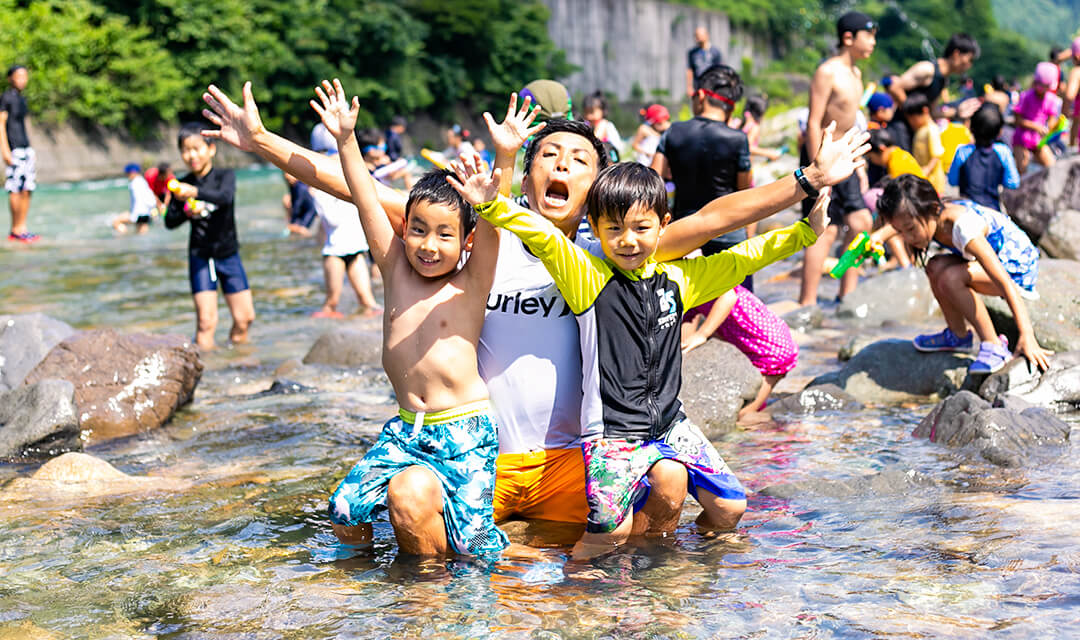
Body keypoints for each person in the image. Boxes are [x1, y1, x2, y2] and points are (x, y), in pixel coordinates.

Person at [200, 81, 869, 550]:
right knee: (422, 523)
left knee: (654, 501)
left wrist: (807, 182)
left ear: (599, 186)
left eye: (578, 160)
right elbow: (352, 186)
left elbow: (712, 219)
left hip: (570, 462)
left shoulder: (612, 252)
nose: (561, 164)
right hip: (482, 457)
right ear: (523, 178)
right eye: (548, 154)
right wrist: (259, 140)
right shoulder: (474, 240)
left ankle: (648, 600)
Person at [463, 160, 829, 559]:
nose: (627, 241)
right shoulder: (587, 277)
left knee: (730, 507)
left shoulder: (679, 280)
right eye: (614, 229)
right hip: (613, 437)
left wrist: (805, 232)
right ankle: (574, 589)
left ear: (663, 224)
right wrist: (491, 206)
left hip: (671, 425)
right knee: (607, 534)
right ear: (595, 227)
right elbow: (546, 237)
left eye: (641, 227)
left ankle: (679, 564)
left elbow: (743, 259)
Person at [313, 79, 508, 557]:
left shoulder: (469, 283)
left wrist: (503, 161)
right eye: (418, 229)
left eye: (444, 234)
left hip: (464, 429)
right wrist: (345, 140)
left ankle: (502, 593)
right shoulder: (394, 267)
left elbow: (495, 227)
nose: (427, 244)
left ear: (465, 241)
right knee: (344, 507)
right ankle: (363, 578)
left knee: (473, 544)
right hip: (406, 428)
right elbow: (364, 196)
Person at [872, 174, 1050, 374]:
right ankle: (958, 335)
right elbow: (901, 222)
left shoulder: (964, 228)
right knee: (934, 266)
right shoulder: (933, 214)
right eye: (900, 232)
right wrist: (877, 236)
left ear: (932, 209)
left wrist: (1027, 334)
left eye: (911, 230)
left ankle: (994, 347)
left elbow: (1004, 282)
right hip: (993, 261)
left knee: (951, 277)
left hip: (1016, 268)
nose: (907, 238)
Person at [798, 11, 876, 306]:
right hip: (823, 155)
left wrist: (861, 162)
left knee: (861, 221)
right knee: (823, 228)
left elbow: (852, 122)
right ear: (848, 38)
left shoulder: (856, 74)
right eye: (868, 35)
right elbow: (814, 122)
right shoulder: (827, 71)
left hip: (848, 155)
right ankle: (807, 303)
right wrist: (817, 169)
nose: (873, 42)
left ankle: (846, 293)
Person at [164, 123, 255, 351]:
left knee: (245, 318)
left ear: (211, 149)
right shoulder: (180, 186)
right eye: (186, 150)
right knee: (206, 322)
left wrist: (193, 193)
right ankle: (207, 375)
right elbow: (169, 222)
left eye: (197, 148)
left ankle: (238, 361)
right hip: (200, 256)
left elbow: (224, 198)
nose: (191, 155)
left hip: (228, 254)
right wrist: (185, 209)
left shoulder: (225, 177)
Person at [651, 64, 751, 267]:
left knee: (687, 297)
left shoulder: (673, 131)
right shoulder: (738, 139)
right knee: (738, 296)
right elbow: (744, 190)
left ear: (702, 95)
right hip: (728, 231)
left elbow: (652, 180)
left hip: (684, 232)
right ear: (731, 107)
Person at [681, 286, 798, 425]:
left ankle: (784, 429)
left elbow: (729, 296)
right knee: (746, 407)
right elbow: (685, 339)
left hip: (771, 350)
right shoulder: (690, 292)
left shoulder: (711, 276)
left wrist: (702, 334)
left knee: (743, 416)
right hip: (753, 349)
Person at [883, 33, 981, 124]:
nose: (969, 65)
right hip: (898, 129)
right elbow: (894, 86)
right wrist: (914, 115)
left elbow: (932, 112)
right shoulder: (927, 69)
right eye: (970, 60)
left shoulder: (944, 80)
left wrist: (956, 112)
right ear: (956, 54)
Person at [948, 103, 1019, 211]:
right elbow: (1013, 182)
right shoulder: (1003, 152)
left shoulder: (962, 151)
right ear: (999, 132)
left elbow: (952, 181)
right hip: (991, 210)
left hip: (965, 211)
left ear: (971, 129)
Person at [0, 65, 36, 243]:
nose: (22, 79)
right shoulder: (6, 97)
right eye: (18, 76)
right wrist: (5, 149)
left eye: (25, 76)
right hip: (13, 148)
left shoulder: (22, 99)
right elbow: (0, 124)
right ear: (10, 78)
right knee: (15, 188)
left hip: (26, 147)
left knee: (27, 188)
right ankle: (15, 229)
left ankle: (23, 227)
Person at [1012, 61, 1063, 174]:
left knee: (1052, 168)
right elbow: (1018, 120)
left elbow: (1050, 121)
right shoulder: (1026, 96)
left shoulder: (1051, 99)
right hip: (1022, 138)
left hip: (1038, 140)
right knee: (1022, 169)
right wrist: (1036, 127)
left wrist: (1054, 127)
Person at [904, 94, 946, 193]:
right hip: (924, 179)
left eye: (913, 118)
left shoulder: (931, 130)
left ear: (925, 111)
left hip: (933, 180)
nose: (911, 122)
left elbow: (937, 154)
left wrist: (927, 169)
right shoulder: (921, 130)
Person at [112, 163, 158, 235]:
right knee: (142, 234)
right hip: (147, 213)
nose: (127, 175)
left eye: (128, 173)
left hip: (139, 214)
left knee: (116, 222)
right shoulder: (143, 181)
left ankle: (125, 237)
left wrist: (133, 215)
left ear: (133, 173)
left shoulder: (134, 183)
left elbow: (138, 201)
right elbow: (151, 199)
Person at [737, 94, 783, 161]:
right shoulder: (754, 127)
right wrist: (769, 153)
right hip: (745, 166)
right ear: (760, 113)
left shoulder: (738, 122)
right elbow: (747, 148)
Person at [582, 91, 623, 157]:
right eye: (586, 112)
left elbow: (595, 142)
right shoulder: (588, 125)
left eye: (592, 112)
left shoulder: (604, 124)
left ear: (602, 111)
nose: (589, 116)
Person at [686, 26, 723, 98]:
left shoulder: (715, 52)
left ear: (707, 35)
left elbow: (719, 70)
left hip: (712, 86)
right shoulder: (692, 53)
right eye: (697, 36)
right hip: (698, 86)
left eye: (700, 35)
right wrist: (689, 87)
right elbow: (690, 70)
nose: (698, 38)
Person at [282, 171, 318, 236]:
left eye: (289, 174)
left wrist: (292, 222)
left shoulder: (300, 187)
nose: (287, 176)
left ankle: (310, 239)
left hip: (310, 211)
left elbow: (297, 205)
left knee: (301, 229)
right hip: (304, 210)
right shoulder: (293, 185)